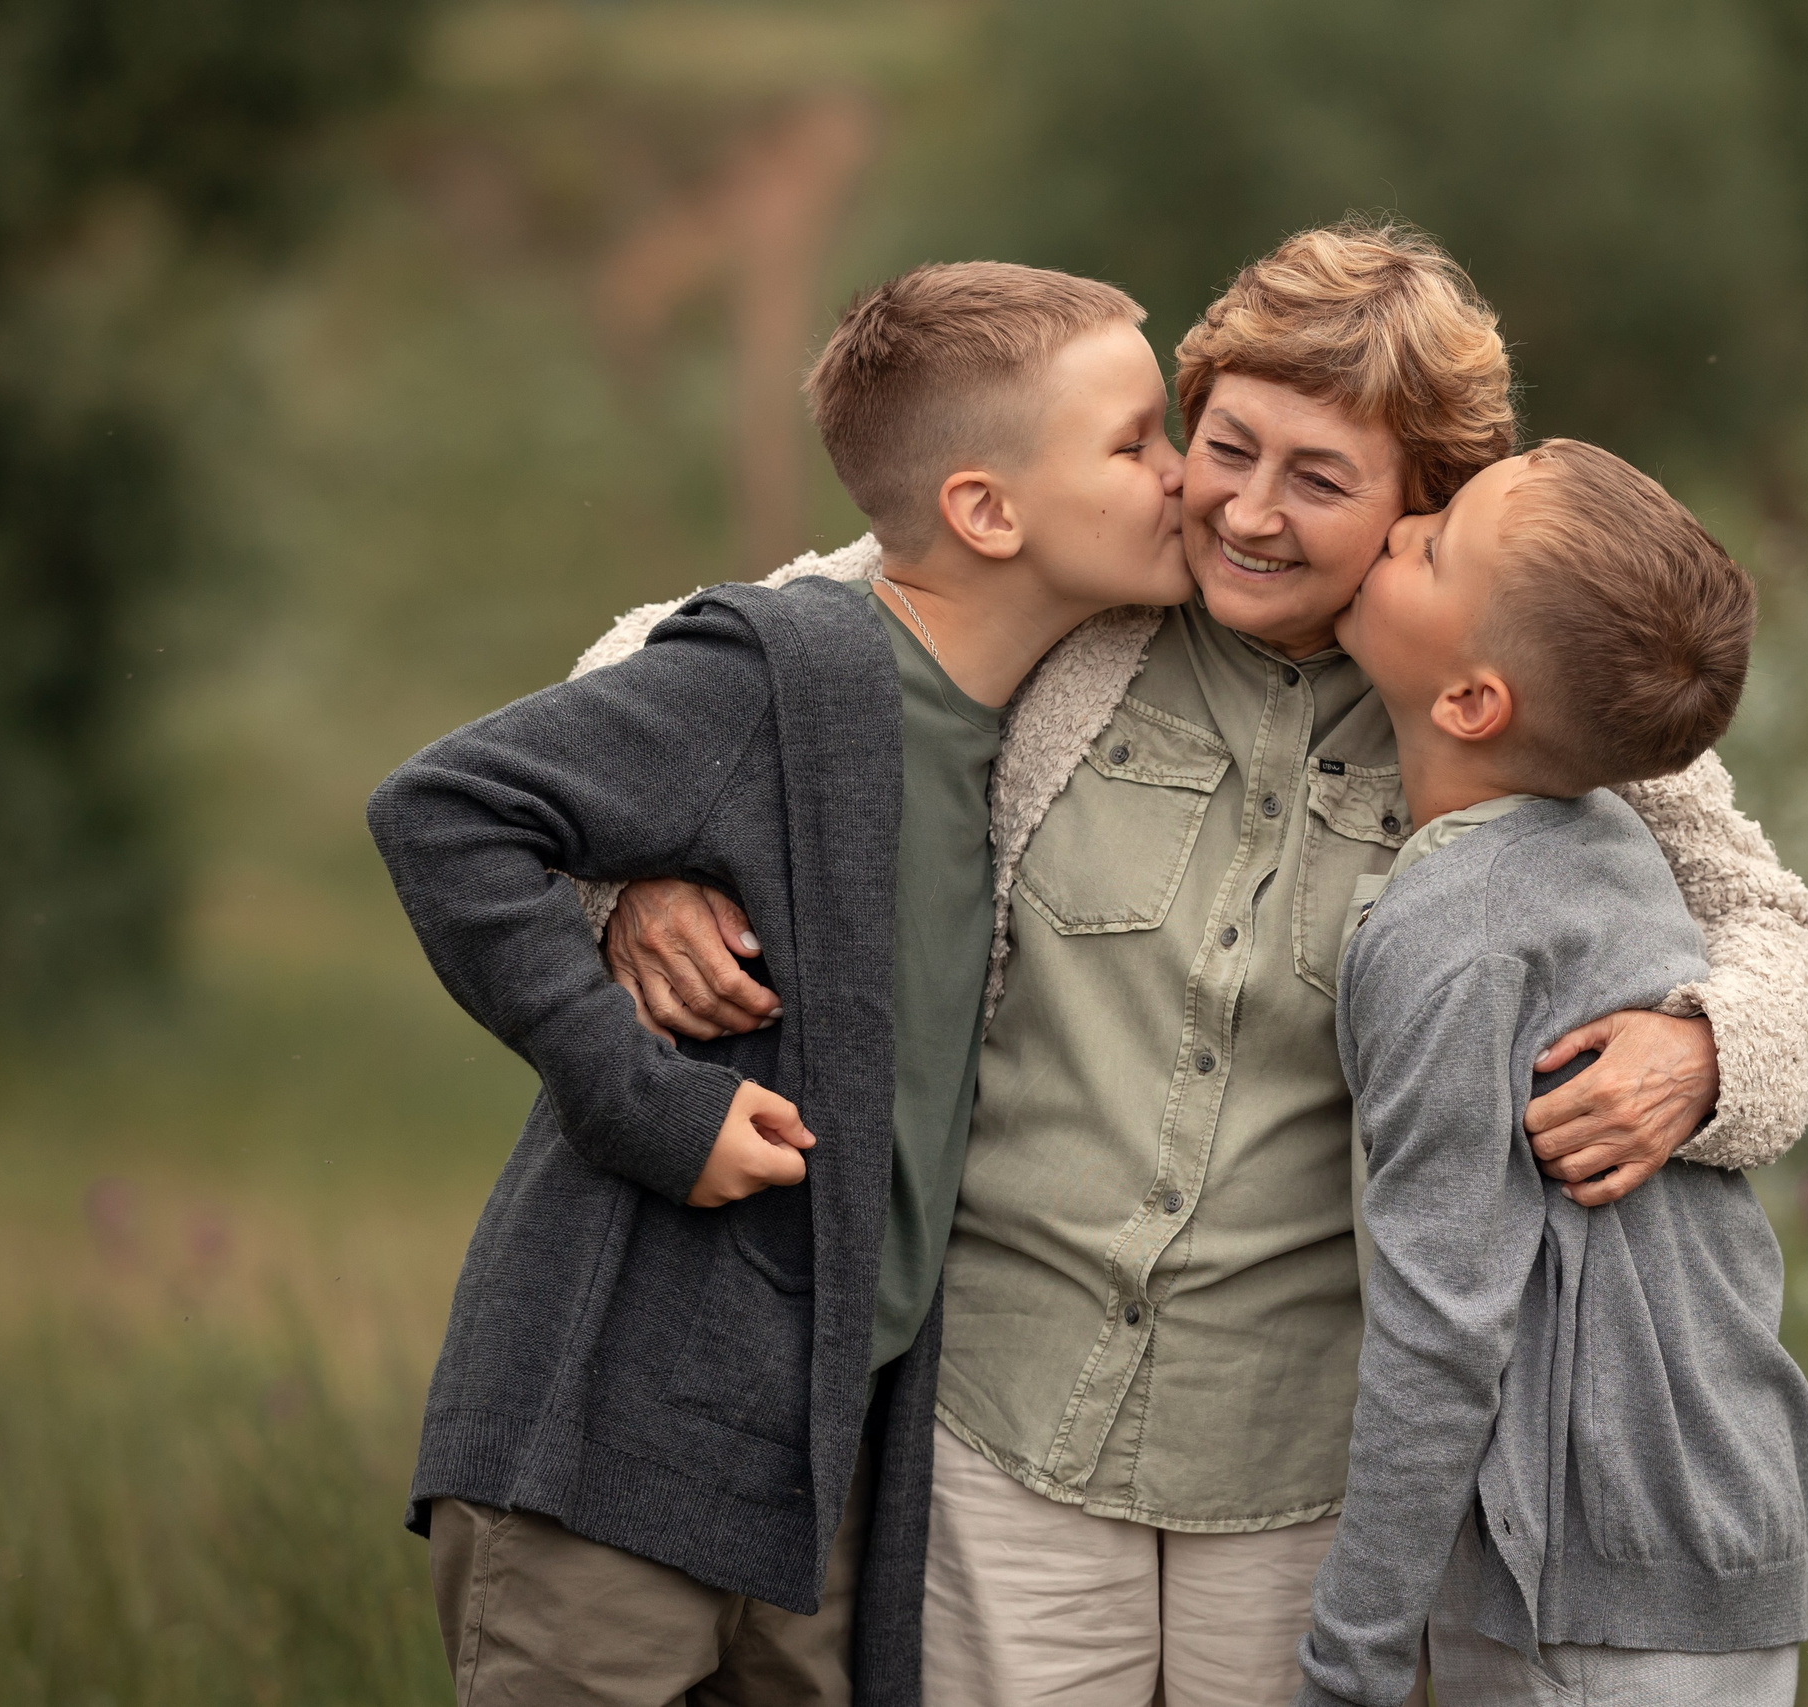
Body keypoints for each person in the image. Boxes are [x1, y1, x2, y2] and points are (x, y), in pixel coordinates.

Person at [599, 218, 1808, 1706]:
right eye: (1223, 444)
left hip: (1305, 1460)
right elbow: (646, 665)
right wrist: (637, 874)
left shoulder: (1503, 695)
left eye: (1319, 479)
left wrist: (1700, 1052)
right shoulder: (1078, 586)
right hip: (1009, 1426)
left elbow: (1779, 926)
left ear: (1419, 506)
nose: (1244, 511)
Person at [365, 260, 1192, 1707]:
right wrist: (645, 1098)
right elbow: (444, 808)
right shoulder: (788, 672)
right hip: (603, 1446)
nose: (1185, 478)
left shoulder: (1018, 726)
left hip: (812, 1485)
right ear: (986, 512)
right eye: (1138, 443)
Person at [1296, 440, 1808, 1707]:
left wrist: (1353, 1661)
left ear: (1475, 703)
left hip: (1586, 1578)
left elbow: (1443, 1328)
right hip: (1722, 1522)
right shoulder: (1603, 837)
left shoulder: (1457, 932)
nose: (1399, 527)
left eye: (1431, 545)